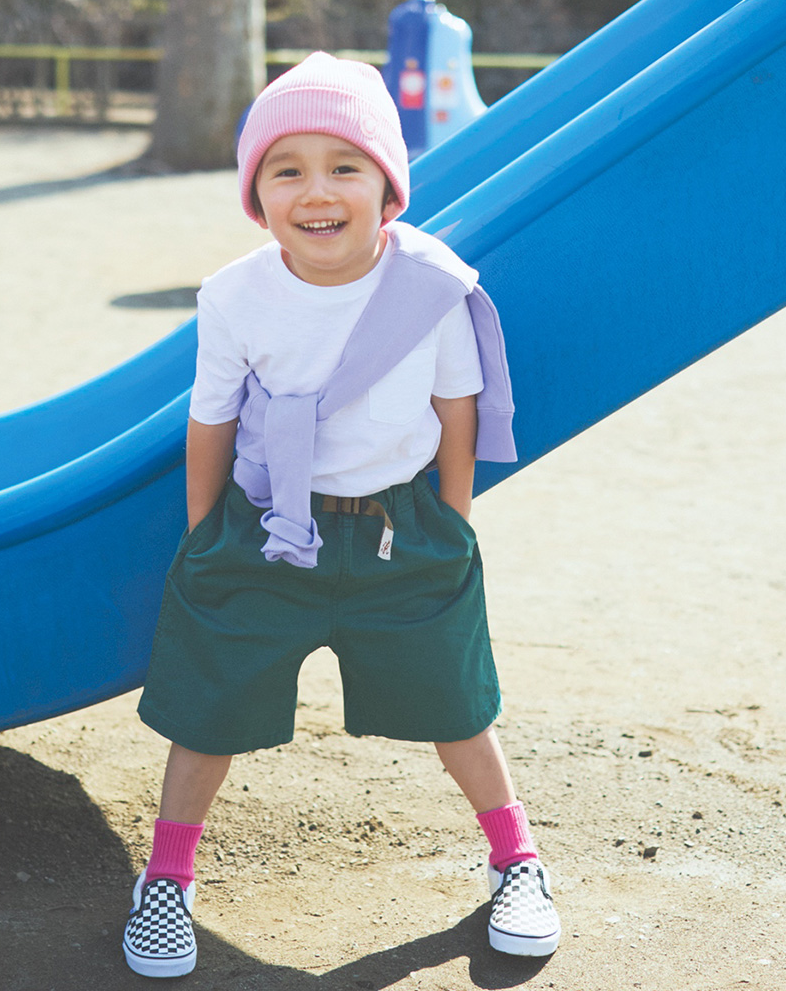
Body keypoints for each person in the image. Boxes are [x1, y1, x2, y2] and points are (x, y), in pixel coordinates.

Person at [122, 51, 560, 979]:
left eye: (344, 166)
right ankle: (167, 878)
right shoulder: (235, 295)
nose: (316, 191)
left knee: (459, 707)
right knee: (208, 710)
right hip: (266, 527)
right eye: (288, 169)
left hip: (402, 530)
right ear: (258, 195)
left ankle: (517, 860)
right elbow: (211, 418)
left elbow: (457, 410)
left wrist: (451, 520)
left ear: (387, 188)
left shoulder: (432, 287)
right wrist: (207, 534)